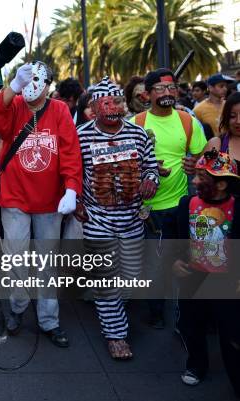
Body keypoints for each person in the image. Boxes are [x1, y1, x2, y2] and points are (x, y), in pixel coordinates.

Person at [0, 61, 82, 348]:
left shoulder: (60, 111)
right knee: (17, 257)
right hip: (15, 196)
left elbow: (69, 151)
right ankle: (17, 308)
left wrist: (71, 189)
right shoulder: (13, 105)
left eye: (35, 80)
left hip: (49, 200)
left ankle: (49, 320)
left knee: (46, 262)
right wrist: (13, 86)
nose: (30, 86)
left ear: (48, 84)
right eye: (24, 80)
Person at [75, 77, 159, 359]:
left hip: (133, 220)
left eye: (117, 102)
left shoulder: (138, 135)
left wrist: (150, 180)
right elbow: (72, 175)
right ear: (94, 109)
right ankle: (116, 335)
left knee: (131, 277)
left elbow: (151, 167)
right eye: (105, 103)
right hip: (97, 220)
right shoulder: (80, 136)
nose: (112, 107)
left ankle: (110, 306)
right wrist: (75, 201)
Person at [130, 68, 207, 329]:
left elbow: (201, 159)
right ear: (147, 95)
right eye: (160, 89)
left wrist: (193, 163)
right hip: (147, 208)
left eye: (172, 87)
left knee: (181, 262)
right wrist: (146, 170)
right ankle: (155, 311)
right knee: (154, 262)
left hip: (181, 204)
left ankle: (180, 316)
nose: (167, 93)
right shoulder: (136, 124)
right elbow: (125, 164)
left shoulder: (188, 121)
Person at [171, 150, 240, 396]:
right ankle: (196, 366)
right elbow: (175, 239)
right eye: (196, 175)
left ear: (221, 184)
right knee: (192, 326)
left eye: (202, 177)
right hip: (194, 277)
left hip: (227, 282)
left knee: (231, 332)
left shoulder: (238, 207)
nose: (195, 181)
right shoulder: (186, 204)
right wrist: (175, 260)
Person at [205, 92, 240, 163]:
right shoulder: (216, 144)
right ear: (226, 117)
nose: (238, 121)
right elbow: (200, 173)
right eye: (232, 116)